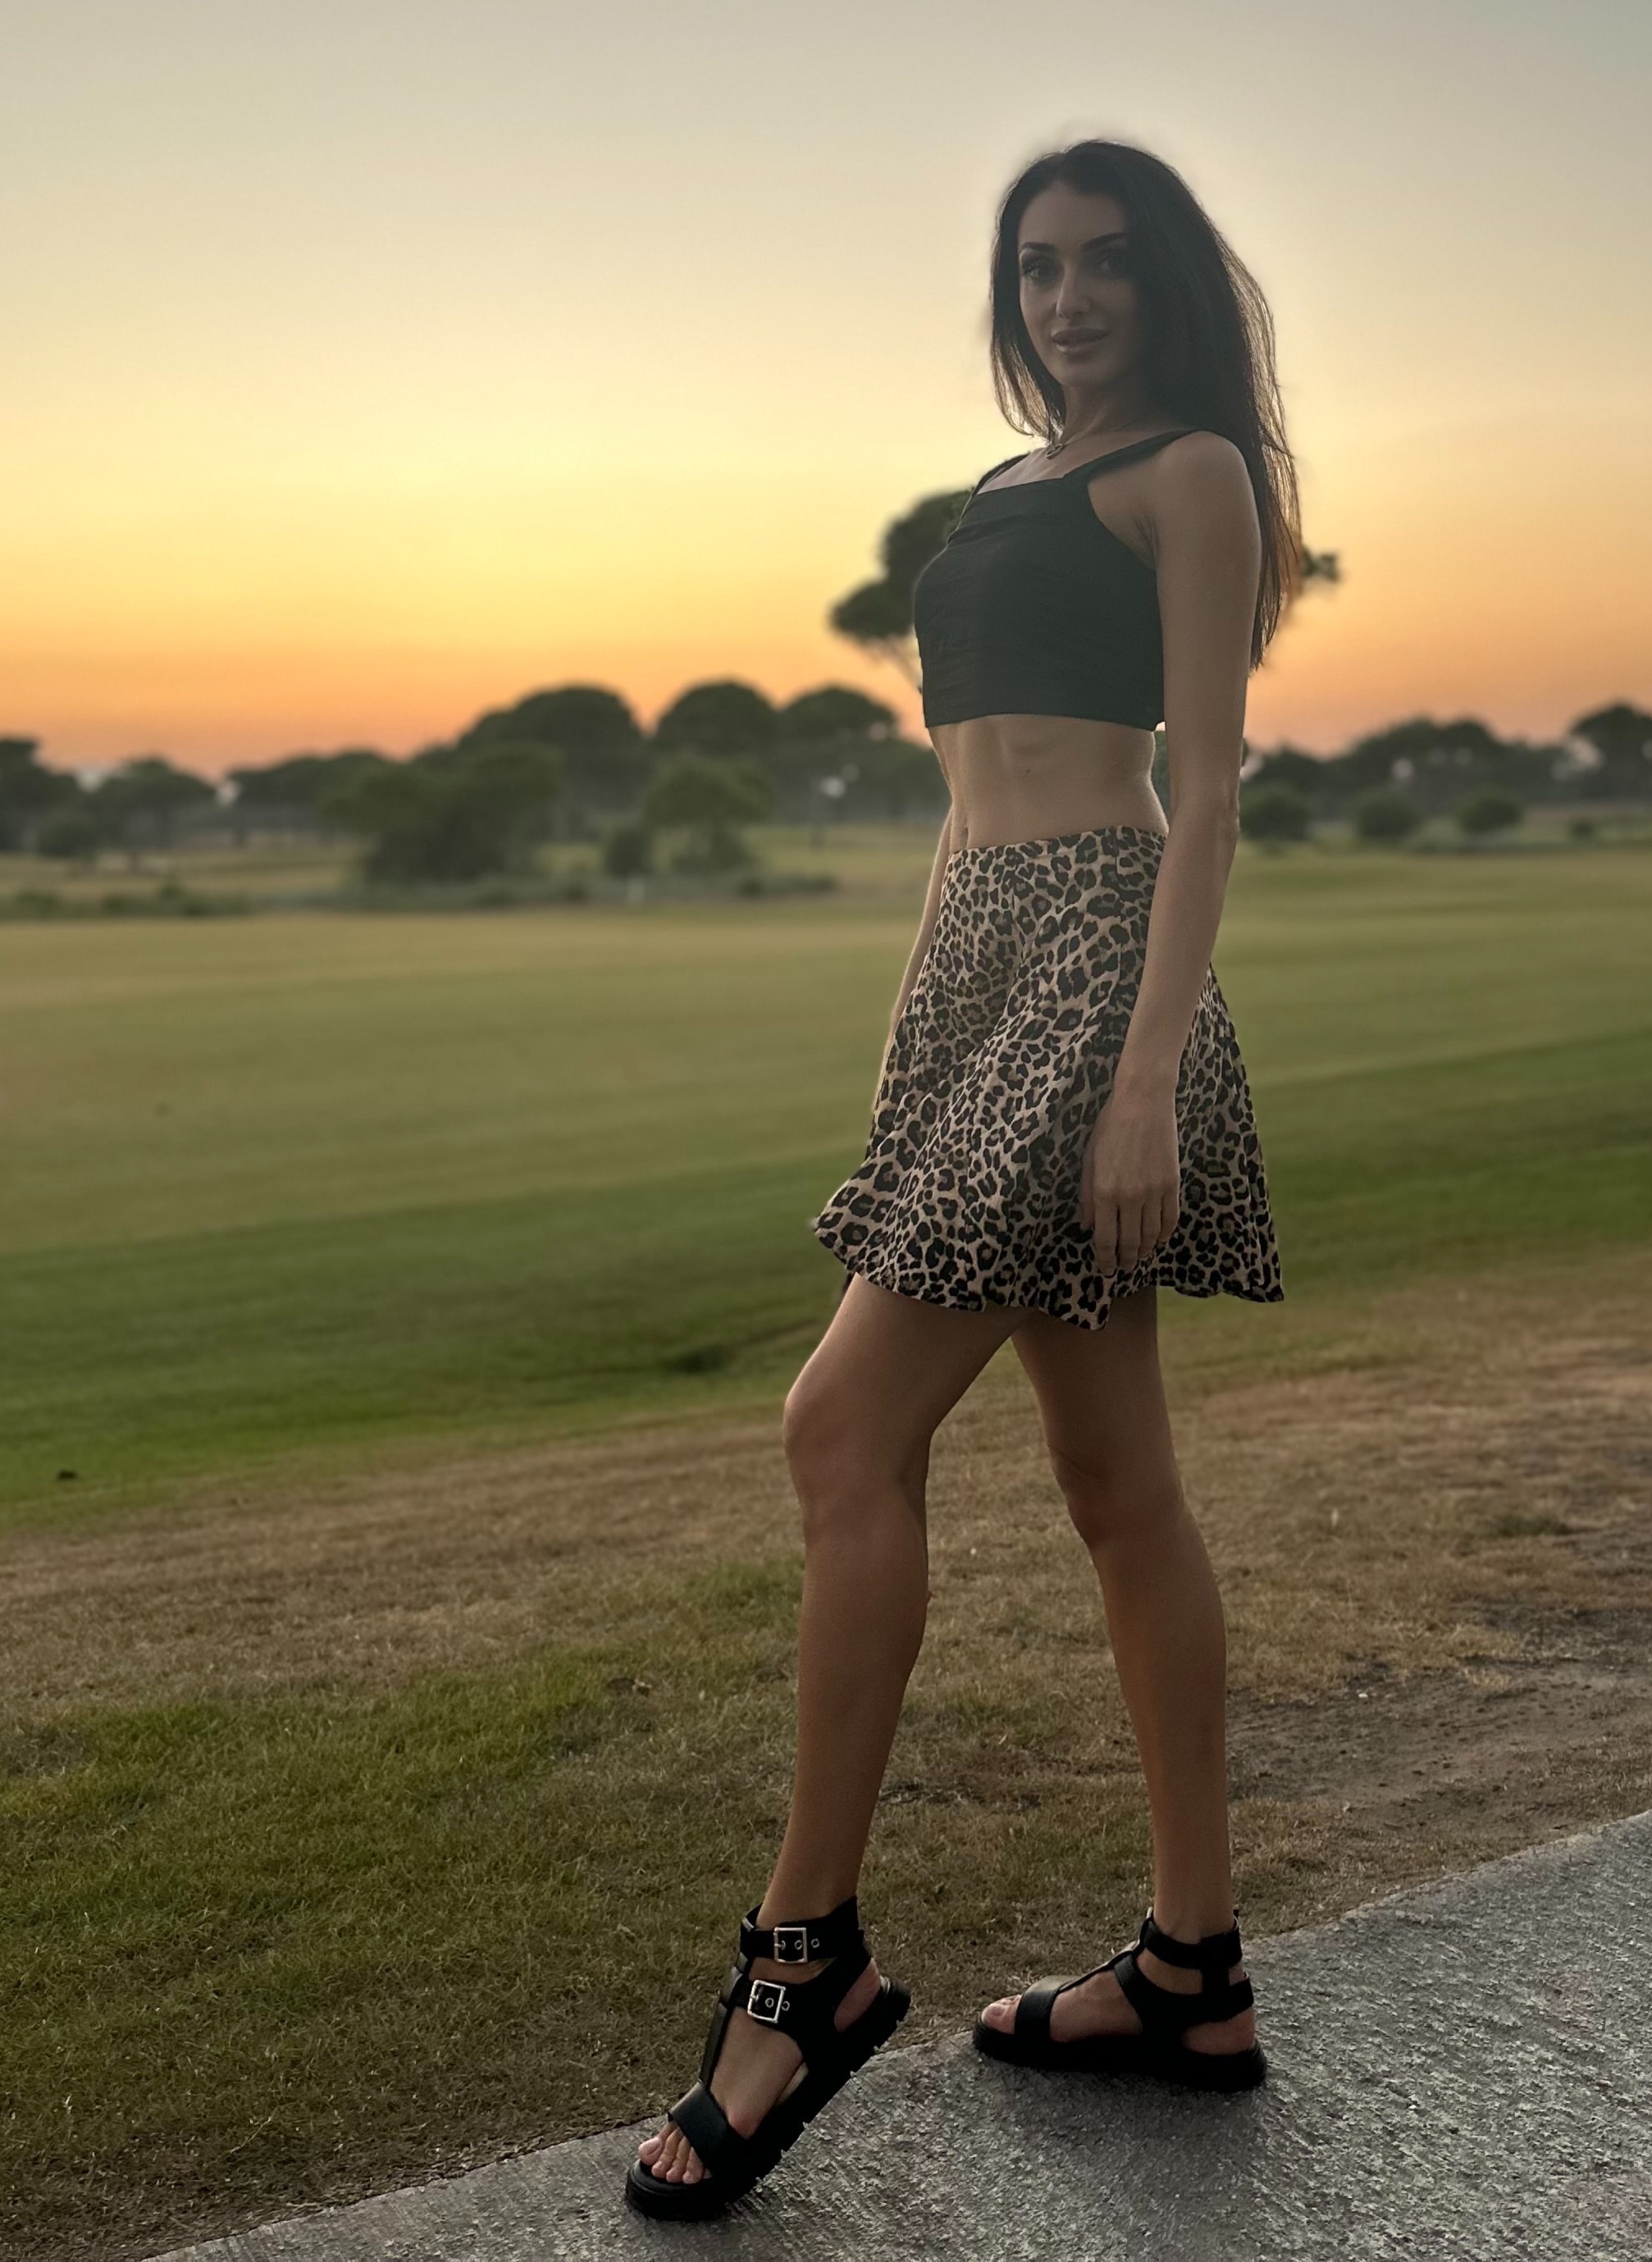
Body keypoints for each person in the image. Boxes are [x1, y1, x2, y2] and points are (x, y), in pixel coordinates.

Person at [627, 137, 1302, 2220]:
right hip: (978, 968)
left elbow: (1207, 791)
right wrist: (917, 1042)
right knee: (1117, 1487)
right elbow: (958, 803)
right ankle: (1190, 1975)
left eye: (1103, 263)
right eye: (1035, 267)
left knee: (839, 1430)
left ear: (1165, 284)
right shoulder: (999, 493)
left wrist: (1144, 1077)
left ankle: (800, 1971)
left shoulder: (1193, 473)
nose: (1066, 298)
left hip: (1103, 956)